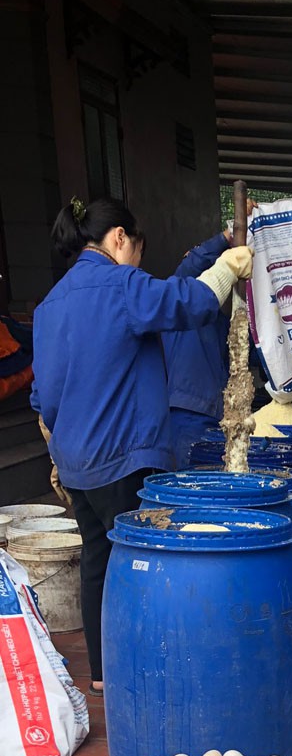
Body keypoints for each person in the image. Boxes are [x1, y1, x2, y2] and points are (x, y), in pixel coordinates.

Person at [30, 196, 253, 697]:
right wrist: (226, 266)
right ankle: (145, 674)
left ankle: (105, 673)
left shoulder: (50, 306)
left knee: (97, 559)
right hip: (122, 460)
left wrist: (65, 440)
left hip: (75, 463)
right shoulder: (120, 285)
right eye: (134, 248)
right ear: (118, 239)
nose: (137, 262)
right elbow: (189, 303)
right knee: (141, 562)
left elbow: (41, 397)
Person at [164, 198, 256, 467]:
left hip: (215, 413)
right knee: (190, 486)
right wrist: (230, 234)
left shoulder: (220, 321)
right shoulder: (179, 302)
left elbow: (245, 357)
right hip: (187, 413)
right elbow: (193, 266)